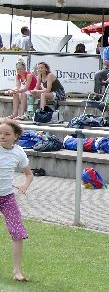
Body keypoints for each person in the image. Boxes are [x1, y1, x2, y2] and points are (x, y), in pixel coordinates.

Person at [0, 119, 34, 282]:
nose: (2, 136)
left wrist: (24, 186)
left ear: (15, 136)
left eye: (7, 134)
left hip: (7, 198)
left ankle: (17, 271)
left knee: (18, 232)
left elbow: (29, 175)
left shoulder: (19, 152)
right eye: (0, 133)